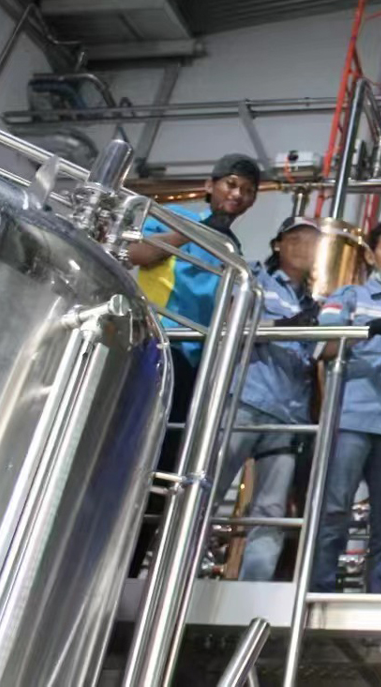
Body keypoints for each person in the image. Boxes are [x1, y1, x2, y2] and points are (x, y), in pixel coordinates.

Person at [127, 152, 261, 574]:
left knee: (167, 467)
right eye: (231, 184)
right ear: (210, 185)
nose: (237, 195)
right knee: (132, 455)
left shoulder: (235, 251)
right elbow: (138, 253)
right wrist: (192, 233)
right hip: (157, 347)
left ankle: (132, 565)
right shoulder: (176, 219)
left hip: (198, 369)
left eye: (247, 191)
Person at [310, 221, 381, 593]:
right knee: (333, 509)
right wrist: (372, 329)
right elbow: (321, 347)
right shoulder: (349, 296)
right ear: (372, 256)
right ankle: (319, 590)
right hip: (350, 419)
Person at [214, 216, 320, 580]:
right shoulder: (254, 278)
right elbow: (230, 325)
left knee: (272, 511)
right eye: (297, 239)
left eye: (312, 242)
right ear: (278, 244)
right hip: (245, 402)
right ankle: (176, 574)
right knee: (207, 492)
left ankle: (252, 590)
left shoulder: (311, 302)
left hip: (288, 416)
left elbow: (316, 356)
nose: (305, 247)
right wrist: (285, 326)